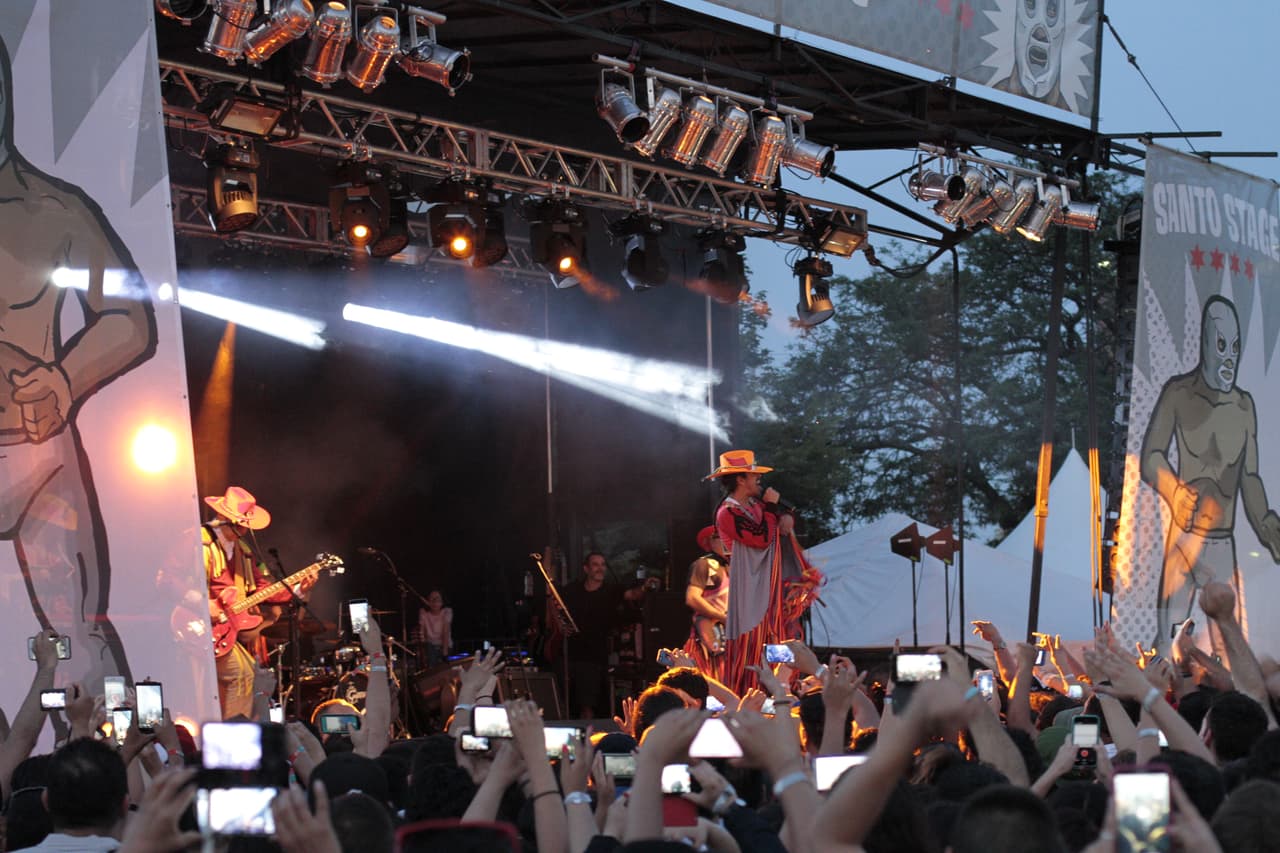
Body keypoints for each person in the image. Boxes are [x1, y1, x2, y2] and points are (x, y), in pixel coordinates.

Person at [0, 32, 158, 691]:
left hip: (37, 452)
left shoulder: (56, 210)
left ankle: (119, 775)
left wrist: (65, 378)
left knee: (81, 639)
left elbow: (131, 317)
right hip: (38, 445)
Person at [1140, 295, 1280, 651]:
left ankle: (1222, 705)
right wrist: (1173, 489)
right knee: (1166, 639)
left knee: (1228, 646)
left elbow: (1250, 476)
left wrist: (1265, 522)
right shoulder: (1179, 393)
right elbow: (1151, 455)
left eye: (1235, 346)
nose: (1229, 356)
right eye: (1221, 345)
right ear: (1205, 345)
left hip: (1221, 541)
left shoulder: (1243, 405)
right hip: (1184, 537)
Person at [204, 486, 314, 720]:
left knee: (250, 675)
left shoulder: (243, 552)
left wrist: (298, 589)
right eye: (241, 524)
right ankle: (234, 739)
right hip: (199, 625)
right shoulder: (201, 543)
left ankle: (235, 732)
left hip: (225, 630)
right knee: (241, 675)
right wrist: (203, 603)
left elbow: (264, 589)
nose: (245, 529)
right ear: (226, 519)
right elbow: (170, 579)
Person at [704, 449, 808, 694]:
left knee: (775, 641)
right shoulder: (727, 513)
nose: (759, 480)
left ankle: (780, 693)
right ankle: (750, 699)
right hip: (747, 592)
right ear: (741, 479)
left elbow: (773, 524)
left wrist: (784, 516)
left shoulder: (754, 506)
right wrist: (772, 509)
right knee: (751, 645)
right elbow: (760, 538)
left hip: (766, 588)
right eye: (754, 475)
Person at [558, 552, 645, 719]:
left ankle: (589, 741)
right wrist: (561, 626)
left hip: (593, 657)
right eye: (596, 564)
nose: (600, 568)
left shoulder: (611, 590)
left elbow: (633, 595)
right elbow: (554, 602)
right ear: (586, 568)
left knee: (587, 704)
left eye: (603, 564)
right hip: (569, 654)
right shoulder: (573, 590)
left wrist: (645, 587)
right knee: (566, 704)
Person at [683, 525, 731, 682]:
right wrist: (722, 617)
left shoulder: (735, 566)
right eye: (719, 537)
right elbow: (692, 598)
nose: (725, 540)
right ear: (709, 542)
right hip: (712, 635)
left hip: (731, 637)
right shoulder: (706, 564)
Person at [417, 590, 453, 668]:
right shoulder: (424, 614)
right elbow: (423, 634)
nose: (435, 602)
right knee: (431, 659)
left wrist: (444, 653)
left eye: (437, 599)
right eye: (432, 599)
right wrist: (424, 653)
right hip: (431, 646)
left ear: (442, 602)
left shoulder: (447, 612)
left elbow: (445, 632)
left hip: (445, 645)